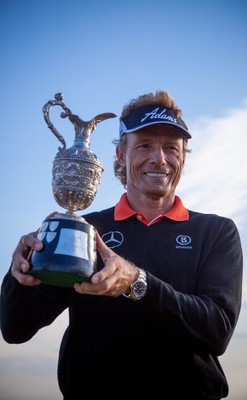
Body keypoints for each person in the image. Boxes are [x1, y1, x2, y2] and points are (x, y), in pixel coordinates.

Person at [0, 90, 243, 399]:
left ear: (183, 155)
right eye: (144, 146)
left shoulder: (216, 231)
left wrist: (136, 282)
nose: (160, 158)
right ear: (121, 154)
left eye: (172, 147)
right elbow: (15, 329)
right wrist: (21, 272)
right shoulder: (86, 231)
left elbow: (217, 331)